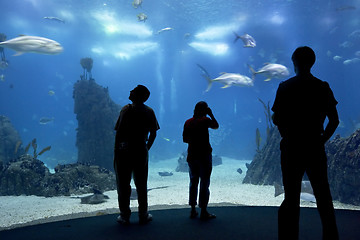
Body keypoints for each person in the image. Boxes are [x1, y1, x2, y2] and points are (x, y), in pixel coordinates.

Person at [272, 46, 340, 240]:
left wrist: (287, 133)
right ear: (313, 62)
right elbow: (335, 120)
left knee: (291, 197)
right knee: (323, 196)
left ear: (294, 63)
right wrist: (321, 140)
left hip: (291, 147)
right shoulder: (322, 87)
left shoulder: (285, 87)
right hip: (314, 147)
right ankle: (331, 237)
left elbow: (276, 118)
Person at [114, 85, 160, 224]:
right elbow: (154, 132)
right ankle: (143, 214)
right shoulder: (149, 111)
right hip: (141, 150)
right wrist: (146, 148)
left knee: (123, 184)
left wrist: (116, 151)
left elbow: (119, 132)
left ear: (138, 95)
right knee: (141, 184)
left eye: (133, 90)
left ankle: (125, 215)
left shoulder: (126, 110)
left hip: (124, 151)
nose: (130, 91)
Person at [183, 101, 219, 220]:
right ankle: (203, 211)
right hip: (204, 156)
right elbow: (216, 125)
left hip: (192, 156)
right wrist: (211, 114)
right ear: (205, 110)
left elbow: (185, 139)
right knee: (204, 182)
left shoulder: (188, 122)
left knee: (193, 182)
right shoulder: (205, 120)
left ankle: (193, 210)